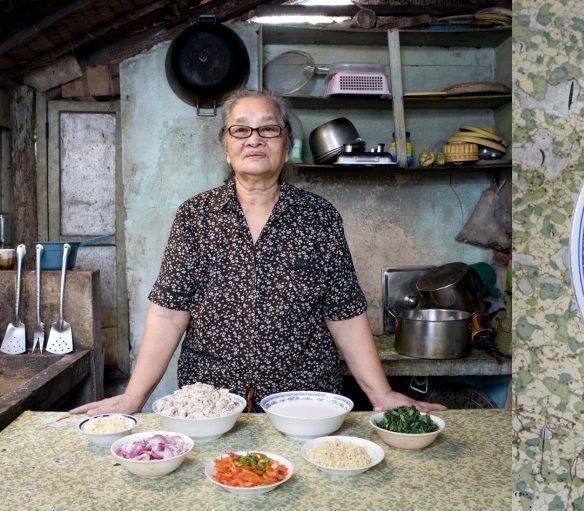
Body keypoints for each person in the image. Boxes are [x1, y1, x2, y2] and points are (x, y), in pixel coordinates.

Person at [72, 89, 444, 415]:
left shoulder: (319, 218)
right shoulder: (195, 217)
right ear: (226, 146)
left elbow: (344, 312)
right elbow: (169, 314)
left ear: (286, 146)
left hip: (303, 400)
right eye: (241, 129)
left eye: (268, 129)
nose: (255, 139)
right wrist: (134, 396)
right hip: (213, 402)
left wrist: (381, 394)